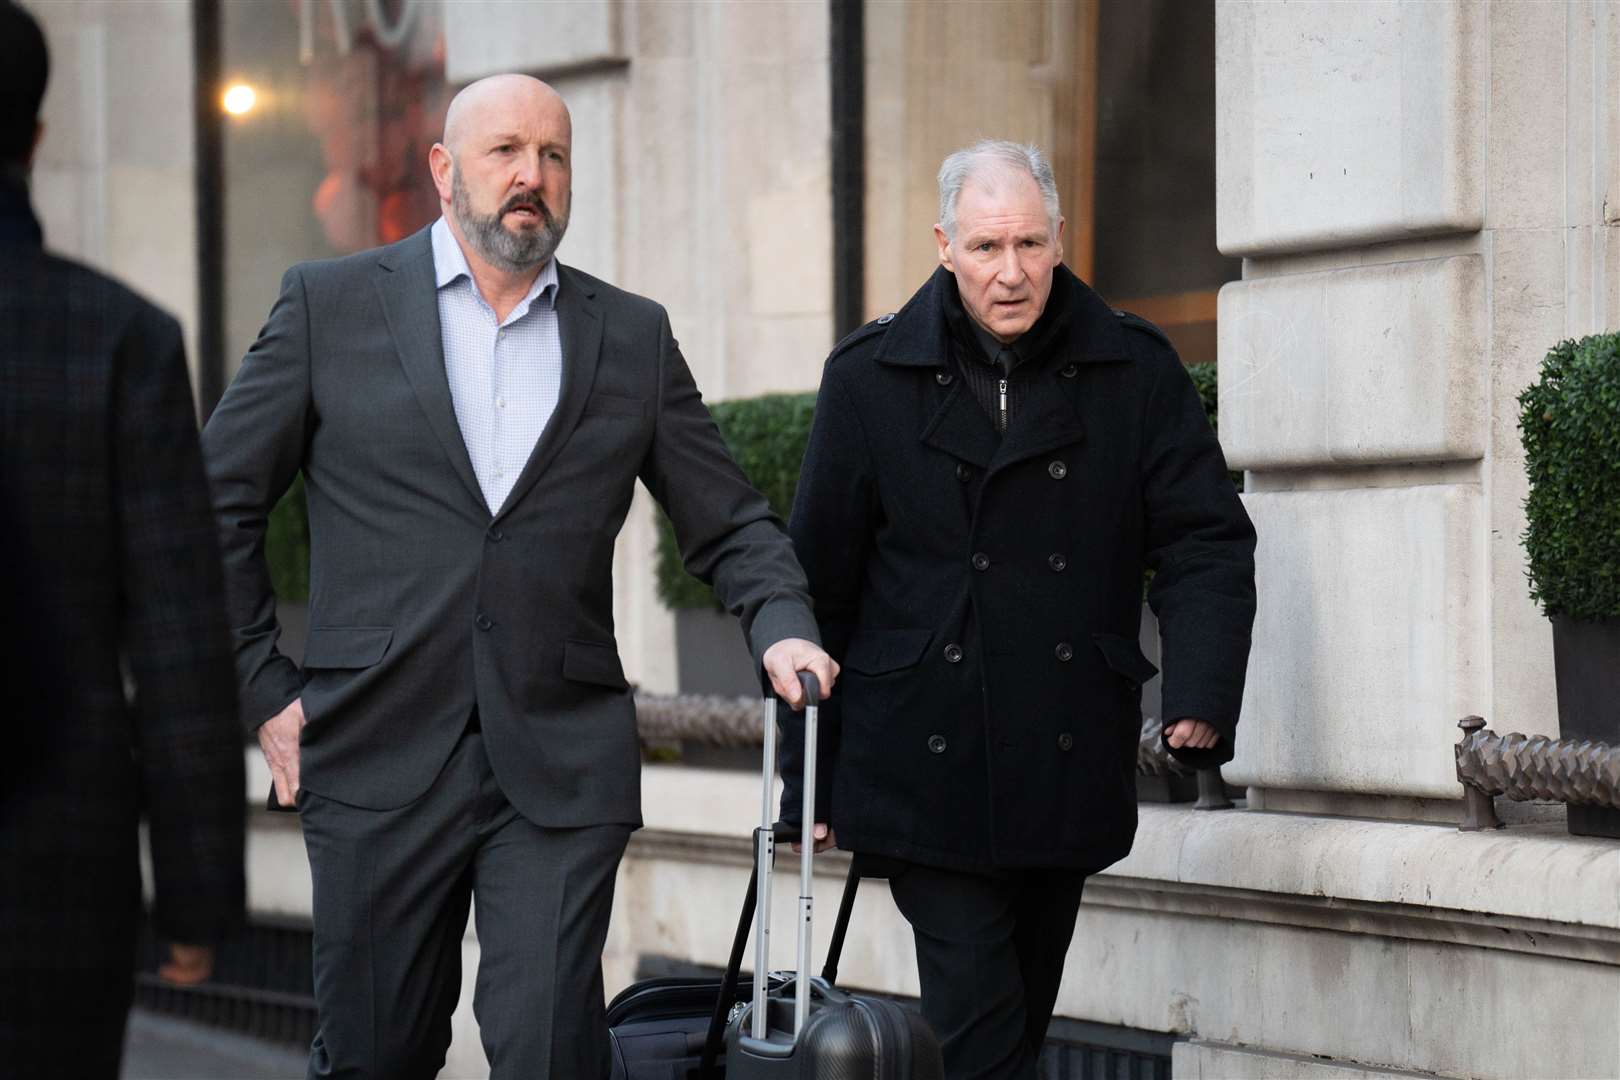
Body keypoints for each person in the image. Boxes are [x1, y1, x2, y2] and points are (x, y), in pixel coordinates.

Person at [201, 73, 837, 1079]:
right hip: (371, 753)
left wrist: (782, 622)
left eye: (552, 155)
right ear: (445, 170)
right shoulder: (328, 307)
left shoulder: (627, 335)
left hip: (559, 760)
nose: (530, 177)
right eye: (504, 152)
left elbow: (729, 518)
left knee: (550, 1050)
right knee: (376, 1054)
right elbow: (213, 503)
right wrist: (263, 690)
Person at [781, 139, 1256, 1079]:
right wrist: (811, 781)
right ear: (944, 246)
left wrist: (1201, 690)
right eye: (989, 248)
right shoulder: (868, 376)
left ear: (1060, 239)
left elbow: (1205, 537)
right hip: (920, 755)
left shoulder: (1134, 367)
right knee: (984, 1036)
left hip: (1066, 749)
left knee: (1018, 1021)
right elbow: (817, 585)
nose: (1013, 273)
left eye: (1031, 245)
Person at [0, 3, 246, 1075]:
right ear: (37, 138)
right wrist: (197, 894)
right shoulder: (122, 340)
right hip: (59, 863)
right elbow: (180, 646)